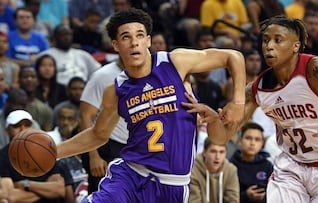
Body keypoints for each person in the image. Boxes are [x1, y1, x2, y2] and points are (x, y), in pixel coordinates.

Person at [57, 8, 245, 203]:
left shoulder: (176, 62)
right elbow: (98, 134)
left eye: (139, 35)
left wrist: (238, 102)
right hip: (130, 176)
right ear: (116, 45)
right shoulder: (115, 90)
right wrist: (55, 152)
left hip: (173, 186)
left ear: (148, 40)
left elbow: (233, 57)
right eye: (126, 37)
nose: (134, 42)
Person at [240, 15, 318, 202]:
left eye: (277, 40)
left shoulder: (317, 69)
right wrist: (209, 117)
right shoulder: (257, 88)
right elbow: (221, 135)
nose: (269, 46)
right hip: (292, 167)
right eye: (265, 40)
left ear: (296, 46)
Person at [0, 110, 72, 203]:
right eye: (17, 126)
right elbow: (10, 196)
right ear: (7, 130)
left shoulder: (45, 150)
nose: (22, 129)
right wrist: (45, 190)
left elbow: (59, 190)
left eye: (27, 125)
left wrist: (25, 185)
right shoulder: (2, 156)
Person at [79, 59, 128, 194]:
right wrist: (93, 156)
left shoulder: (147, 75)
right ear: (116, 46)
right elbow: (85, 116)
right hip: (106, 147)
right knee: (102, 195)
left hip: (132, 147)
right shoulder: (102, 76)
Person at [230, 122, 273, 203]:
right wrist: (246, 195)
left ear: (262, 143)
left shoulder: (268, 166)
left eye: (257, 139)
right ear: (240, 140)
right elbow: (225, 197)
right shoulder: (230, 165)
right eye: (248, 138)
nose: (252, 143)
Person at [189, 137, 240, 203]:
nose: (217, 157)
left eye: (221, 152)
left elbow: (232, 198)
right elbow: (194, 200)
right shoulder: (193, 169)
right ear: (204, 152)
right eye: (213, 151)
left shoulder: (231, 170)